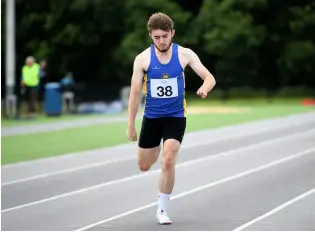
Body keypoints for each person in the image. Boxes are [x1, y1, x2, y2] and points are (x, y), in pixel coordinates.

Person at [126, 12, 216, 225]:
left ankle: (162, 210)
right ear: (150, 36)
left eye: (165, 36)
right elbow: (134, 94)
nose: (162, 41)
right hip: (152, 117)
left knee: (168, 160)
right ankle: (155, 146)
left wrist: (204, 87)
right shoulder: (142, 59)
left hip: (176, 117)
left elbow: (209, 77)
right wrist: (131, 125)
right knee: (144, 165)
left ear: (172, 33)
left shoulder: (185, 54)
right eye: (157, 37)